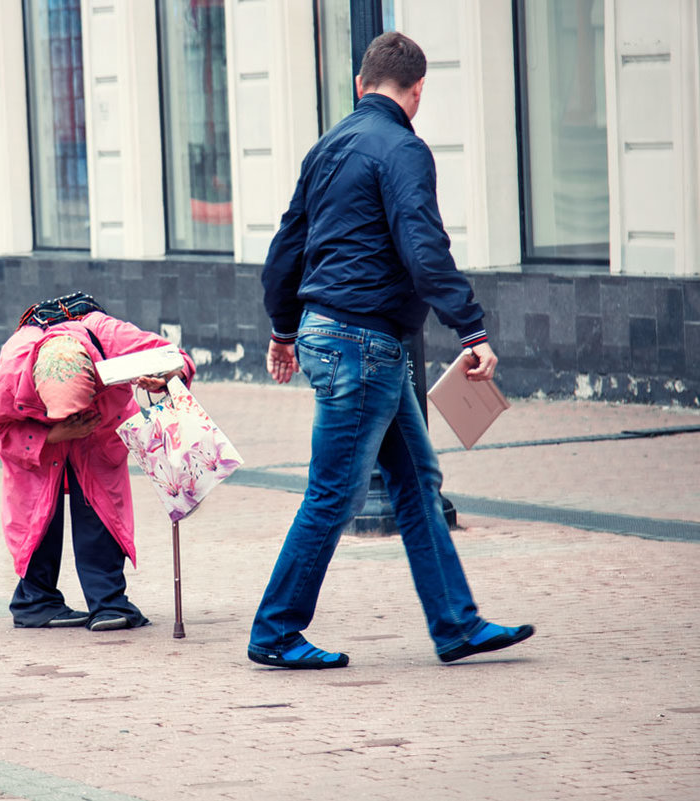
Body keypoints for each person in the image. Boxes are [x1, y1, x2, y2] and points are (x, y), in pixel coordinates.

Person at [251, 32, 534, 669]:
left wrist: (282, 330)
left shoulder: (327, 147)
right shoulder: (403, 149)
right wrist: (472, 330)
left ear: (360, 84)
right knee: (334, 493)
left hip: (334, 336)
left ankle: (456, 625)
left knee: (415, 482)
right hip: (365, 346)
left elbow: (285, 250)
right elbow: (424, 249)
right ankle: (274, 630)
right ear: (417, 91)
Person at [0, 297, 195, 632]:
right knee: (36, 513)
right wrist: (52, 434)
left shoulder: (111, 336)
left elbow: (174, 357)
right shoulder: (11, 369)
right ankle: (35, 602)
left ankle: (108, 603)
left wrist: (169, 375)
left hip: (100, 429)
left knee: (101, 505)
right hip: (40, 433)